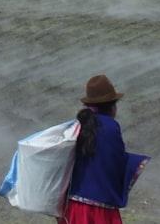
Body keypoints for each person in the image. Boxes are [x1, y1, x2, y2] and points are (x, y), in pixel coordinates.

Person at [59, 74, 150, 224]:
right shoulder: (111, 127)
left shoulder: (79, 125)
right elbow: (115, 164)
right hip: (100, 209)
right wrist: (136, 161)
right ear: (112, 106)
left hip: (74, 206)